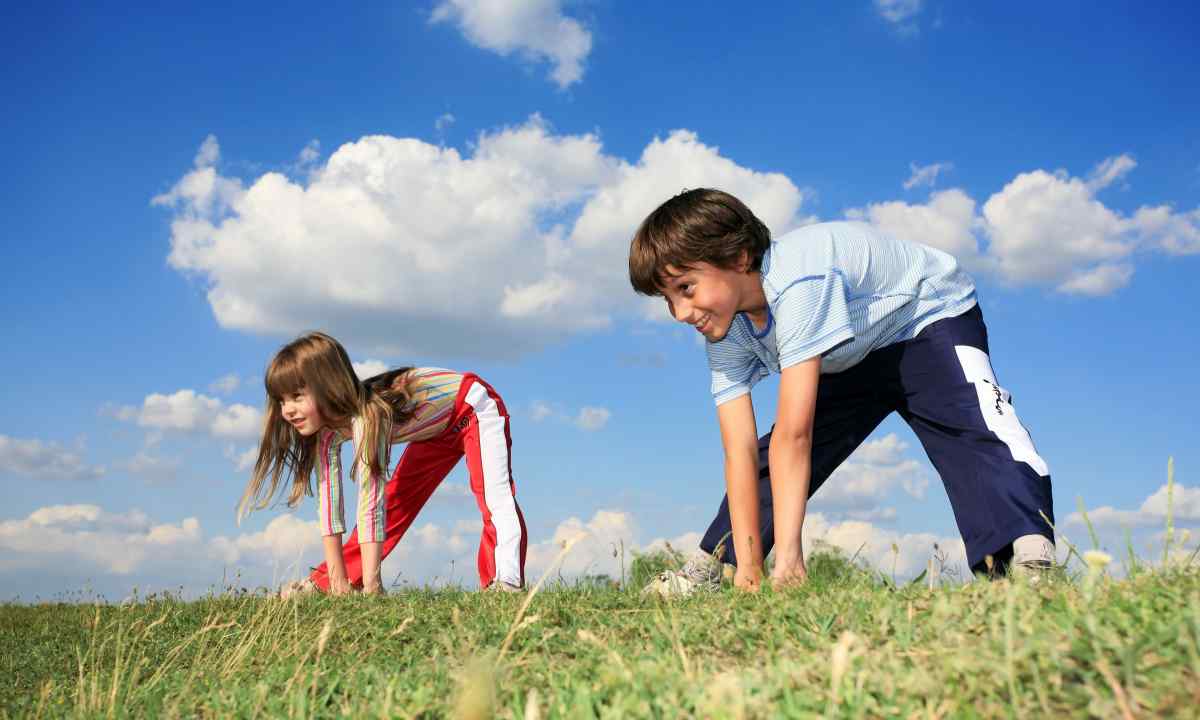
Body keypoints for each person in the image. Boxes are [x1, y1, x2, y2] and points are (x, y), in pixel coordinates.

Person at [628, 188, 1056, 595]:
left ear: (739, 258)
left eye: (686, 288)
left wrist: (791, 558)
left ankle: (1023, 556)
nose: (681, 313)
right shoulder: (725, 333)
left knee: (971, 421)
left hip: (924, 319)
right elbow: (738, 452)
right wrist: (752, 566)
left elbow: (796, 436)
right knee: (768, 456)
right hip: (844, 353)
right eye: (668, 300)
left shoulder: (798, 283)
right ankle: (715, 564)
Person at [238, 331, 527, 595]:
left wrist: (373, 586)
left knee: (493, 495)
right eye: (281, 400)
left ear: (327, 386)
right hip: (433, 431)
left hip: (471, 408)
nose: (287, 410)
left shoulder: (367, 417)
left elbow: (369, 499)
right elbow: (330, 505)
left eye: (297, 397)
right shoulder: (326, 434)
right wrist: (336, 580)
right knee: (396, 503)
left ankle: (505, 581)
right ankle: (326, 583)